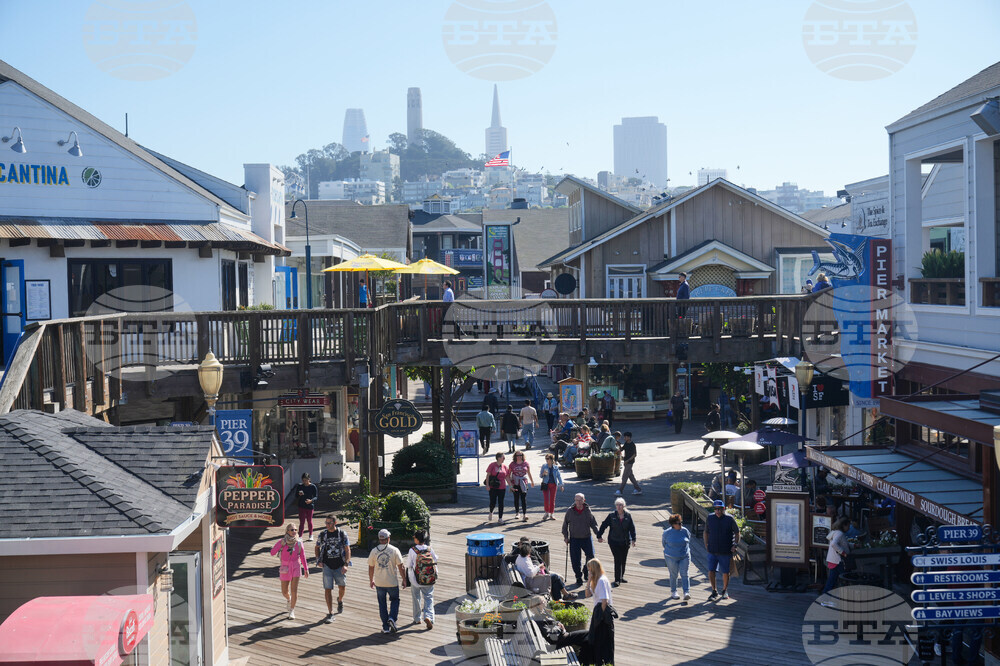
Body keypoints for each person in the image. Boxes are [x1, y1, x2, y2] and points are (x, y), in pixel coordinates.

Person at [368, 528, 406, 634]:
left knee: (382, 604)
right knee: (395, 600)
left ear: (380, 539)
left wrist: (371, 580)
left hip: (379, 582)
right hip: (392, 582)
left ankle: (385, 627)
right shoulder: (394, 550)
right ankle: (392, 618)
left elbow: (371, 567)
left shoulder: (374, 551)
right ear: (388, 538)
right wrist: (404, 579)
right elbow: (401, 566)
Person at [315, 515, 351, 622]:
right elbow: (317, 547)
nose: (327, 525)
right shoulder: (322, 534)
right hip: (327, 565)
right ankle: (330, 612)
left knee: (342, 586)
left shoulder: (342, 534)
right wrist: (318, 560)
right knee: (328, 588)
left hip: (340, 565)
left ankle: (340, 600)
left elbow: (347, 549)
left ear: (335, 523)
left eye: (329, 523)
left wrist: (346, 564)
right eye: (326, 523)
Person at [562, 493, 603, 586]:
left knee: (591, 556)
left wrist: (598, 535)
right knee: (575, 560)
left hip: (586, 537)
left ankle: (586, 569)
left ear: (584, 500)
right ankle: (578, 576)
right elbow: (565, 526)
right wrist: (566, 537)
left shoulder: (588, 511)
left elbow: (593, 524)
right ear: (574, 500)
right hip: (574, 539)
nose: (578, 503)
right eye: (577, 500)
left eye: (580, 500)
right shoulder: (570, 511)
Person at [270, 523, 309, 620]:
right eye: (292, 530)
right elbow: (272, 553)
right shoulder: (282, 541)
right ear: (287, 531)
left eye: (295, 530)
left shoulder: (299, 542)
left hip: (296, 566)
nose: (294, 531)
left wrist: (306, 569)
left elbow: (303, 556)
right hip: (285, 567)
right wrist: (280, 544)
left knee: (294, 590)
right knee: (284, 591)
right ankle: (288, 599)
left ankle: (292, 610)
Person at [704, 500, 740, 600]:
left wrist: (735, 545)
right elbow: (706, 532)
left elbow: (737, 533)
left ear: (724, 509)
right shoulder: (710, 518)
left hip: (725, 550)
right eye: (716, 509)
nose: (718, 511)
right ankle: (714, 591)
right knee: (711, 571)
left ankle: (724, 590)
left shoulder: (730, 519)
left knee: (725, 572)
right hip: (712, 550)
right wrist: (706, 544)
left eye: (720, 509)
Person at [597, 498, 637, 587]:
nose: (619, 507)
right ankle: (617, 579)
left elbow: (632, 528)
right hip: (614, 541)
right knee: (617, 559)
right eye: (617, 505)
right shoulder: (611, 516)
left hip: (625, 542)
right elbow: (604, 525)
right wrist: (599, 535)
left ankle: (621, 577)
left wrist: (633, 539)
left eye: (620, 505)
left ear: (624, 506)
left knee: (623, 560)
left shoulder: (628, 516)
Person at [584, 558, 615, 666]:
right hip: (598, 612)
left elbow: (604, 601)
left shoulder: (602, 580)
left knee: (603, 639)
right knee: (595, 639)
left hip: (602, 614)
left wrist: (600, 618)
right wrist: (588, 581)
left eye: (589, 569)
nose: (588, 571)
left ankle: (605, 661)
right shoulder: (595, 580)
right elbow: (587, 595)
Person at [406, 529, 438, 629]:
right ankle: (429, 617)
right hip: (429, 579)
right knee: (428, 598)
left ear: (417, 539)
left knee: (416, 598)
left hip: (415, 579)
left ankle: (417, 618)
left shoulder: (412, 550)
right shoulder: (429, 549)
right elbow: (435, 560)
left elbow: (409, 565)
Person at [662, 513, 691, 600]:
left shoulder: (685, 531)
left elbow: (688, 540)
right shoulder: (666, 533)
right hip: (671, 557)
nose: (680, 525)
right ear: (673, 524)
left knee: (685, 574)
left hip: (684, 556)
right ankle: (674, 591)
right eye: (678, 523)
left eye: (681, 523)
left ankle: (686, 592)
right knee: (673, 575)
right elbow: (664, 544)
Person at [821, 517, 851, 596]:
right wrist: (843, 553)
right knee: (842, 579)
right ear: (844, 525)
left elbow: (841, 544)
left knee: (832, 580)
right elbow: (834, 544)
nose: (849, 528)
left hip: (834, 560)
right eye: (848, 526)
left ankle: (826, 595)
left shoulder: (835, 532)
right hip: (838, 560)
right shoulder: (840, 534)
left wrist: (853, 545)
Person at [508, 450, 534, 522]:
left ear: (522, 456)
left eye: (520, 455)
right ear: (515, 456)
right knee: (516, 498)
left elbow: (528, 473)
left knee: (523, 498)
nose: (519, 457)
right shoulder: (512, 464)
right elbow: (508, 474)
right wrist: (510, 484)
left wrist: (532, 481)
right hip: (515, 483)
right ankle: (517, 513)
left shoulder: (526, 463)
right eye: (517, 455)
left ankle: (525, 514)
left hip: (524, 483)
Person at [539, 453, 565, 520]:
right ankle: (546, 512)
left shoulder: (555, 467)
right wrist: (543, 474)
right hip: (546, 484)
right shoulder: (544, 466)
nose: (547, 460)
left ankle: (552, 513)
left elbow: (559, 476)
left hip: (553, 484)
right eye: (546, 459)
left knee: (552, 500)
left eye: (548, 459)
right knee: (546, 499)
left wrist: (561, 485)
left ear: (551, 459)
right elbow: (540, 476)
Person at [484, 452, 509, 524]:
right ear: (498, 458)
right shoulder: (492, 465)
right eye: (503, 457)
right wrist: (487, 485)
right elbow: (488, 475)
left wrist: (510, 485)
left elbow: (507, 477)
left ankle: (500, 518)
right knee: (493, 502)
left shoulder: (504, 466)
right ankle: (491, 511)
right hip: (493, 486)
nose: (504, 458)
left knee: (501, 502)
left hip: (502, 487)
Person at [293, 473, 318, 541]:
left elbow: (316, 497)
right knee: (302, 522)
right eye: (303, 480)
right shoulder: (300, 486)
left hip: (310, 506)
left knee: (309, 521)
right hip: (301, 506)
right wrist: (299, 494)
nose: (305, 482)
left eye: (306, 480)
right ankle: (300, 536)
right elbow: (296, 496)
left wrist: (311, 500)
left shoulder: (313, 486)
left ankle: (311, 534)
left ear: (309, 479)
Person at [616, 431, 642, 496]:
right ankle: (638, 489)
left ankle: (620, 490)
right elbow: (622, 449)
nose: (624, 438)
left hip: (630, 462)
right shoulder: (626, 443)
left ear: (629, 437)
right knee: (631, 476)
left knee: (625, 476)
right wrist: (618, 445)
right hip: (626, 461)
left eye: (625, 437)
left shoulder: (632, 444)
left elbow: (634, 454)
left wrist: (628, 460)